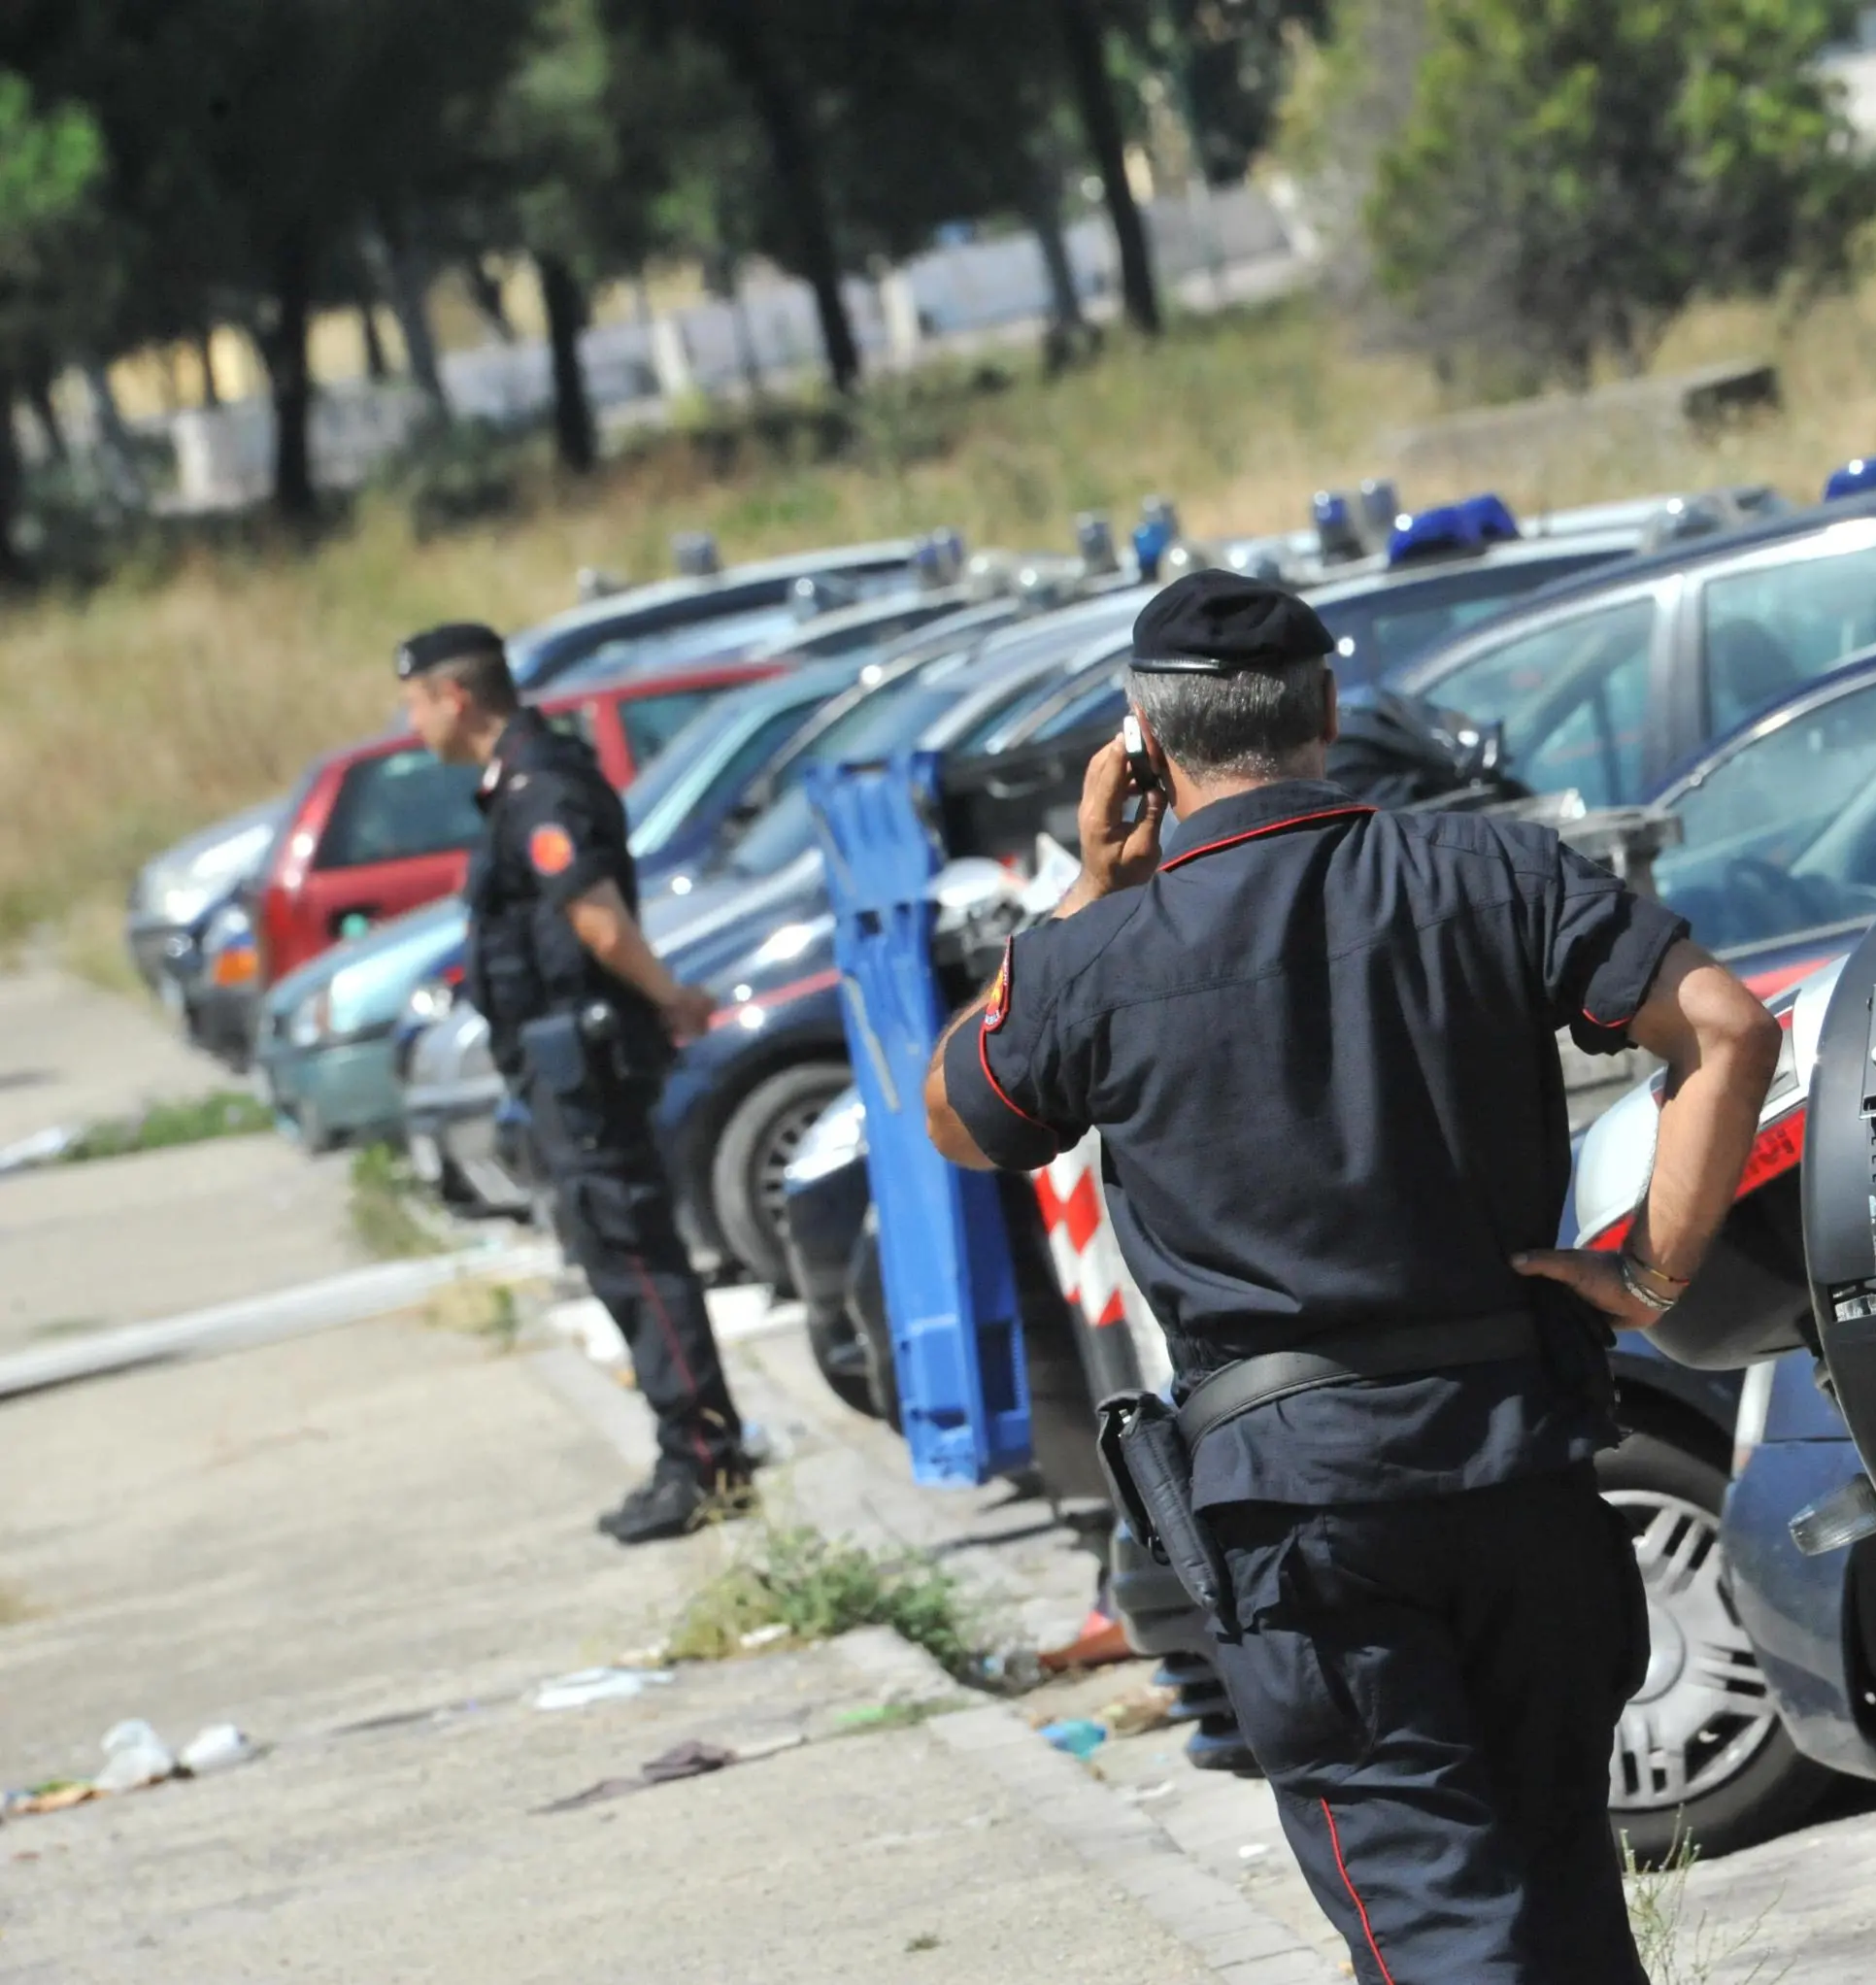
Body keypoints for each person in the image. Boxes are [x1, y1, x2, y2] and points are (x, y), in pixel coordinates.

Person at [922, 571, 1782, 1984]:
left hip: (1299, 1502)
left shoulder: (1099, 957)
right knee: (1564, 1888)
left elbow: (961, 1117)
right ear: (1327, 709)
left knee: (1436, 1919)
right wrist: (1648, 1275)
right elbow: (1726, 1033)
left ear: (1141, 740)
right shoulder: (1486, 873)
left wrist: (1089, 887)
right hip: (1519, 1457)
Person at [396, 622, 752, 1544]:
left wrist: (670, 997)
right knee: (617, 1256)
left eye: (415, 701)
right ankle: (693, 1450)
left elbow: (595, 921)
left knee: (636, 1259)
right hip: (564, 1070)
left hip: (586, 1069)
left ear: (456, 698)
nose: (410, 720)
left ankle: (704, 1459)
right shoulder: (515, 783)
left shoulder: (540, 786)